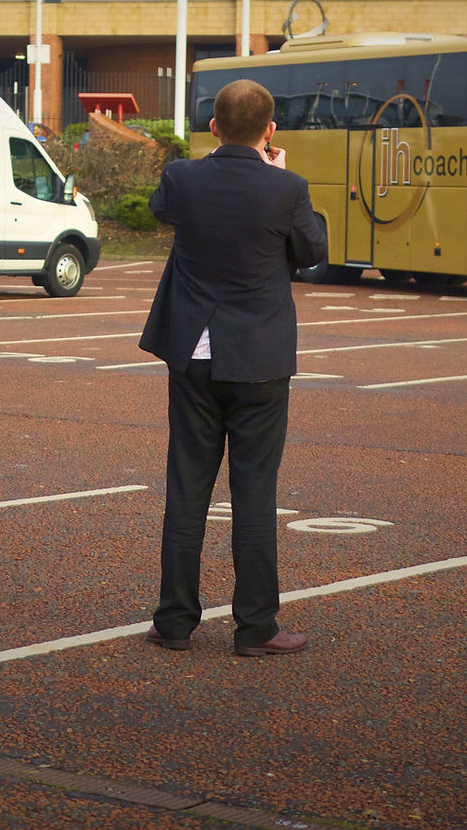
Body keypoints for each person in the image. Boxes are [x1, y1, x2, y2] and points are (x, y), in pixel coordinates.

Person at [138, 78, 328, 655]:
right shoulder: (287, 187)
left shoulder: (181, 177)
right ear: (270, 130)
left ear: (213, 126)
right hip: (259, 357)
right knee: (254, 493)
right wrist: (273, 174)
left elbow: (162, 209)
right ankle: (256, 627)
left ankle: (175, 621)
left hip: (192, 352)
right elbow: (313, 251)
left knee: (186, 488)